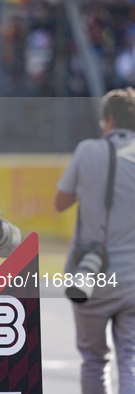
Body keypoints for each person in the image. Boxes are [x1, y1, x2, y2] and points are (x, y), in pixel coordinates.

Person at [55, 88, 135, 394]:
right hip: (133, 279)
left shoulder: (88, 151)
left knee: (93, 359)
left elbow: (60, 202)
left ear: (110, 119)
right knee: (129, 357)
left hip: (92, 277)